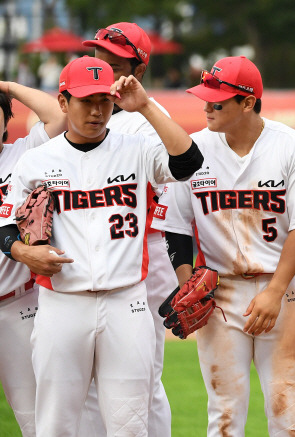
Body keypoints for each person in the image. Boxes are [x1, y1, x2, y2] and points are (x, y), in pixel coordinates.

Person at [0, 56, 203, 436]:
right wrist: (23, 252)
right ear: (63, 103)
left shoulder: (137, 149)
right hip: (62, 304)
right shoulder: (37, 160)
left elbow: (189, 161)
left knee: (129, 424)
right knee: (55, 425)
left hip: (126, 302)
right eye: (84, 101)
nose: (96, 111)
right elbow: (5, 227)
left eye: (103, 101)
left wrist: (144, 105)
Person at [151, 56, 295, 436]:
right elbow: (175, 226)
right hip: (218, 291)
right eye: (206, 98)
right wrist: (187, 284)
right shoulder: (192, 149)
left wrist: (275, 291)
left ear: (247, 102)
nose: (207, 106)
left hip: (279, 290)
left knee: (289, 412)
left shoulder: (291, 146)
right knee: (224, 414)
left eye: (218, 100)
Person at [80, 22, 176, 437]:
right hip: (86, 253)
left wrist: (182, 265)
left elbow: (183, 184)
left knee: (143, 378)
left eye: (114, 61)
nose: (102, 64)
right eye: (98, 55)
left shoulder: (146, 120)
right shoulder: (82, 107)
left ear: (137, 68)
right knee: (86, 381)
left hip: (145, 251)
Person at [0, 81, 66, 436]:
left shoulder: (24, 155)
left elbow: (59, 115)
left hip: (16, 306)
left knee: (36, 419)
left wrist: (7, 86)